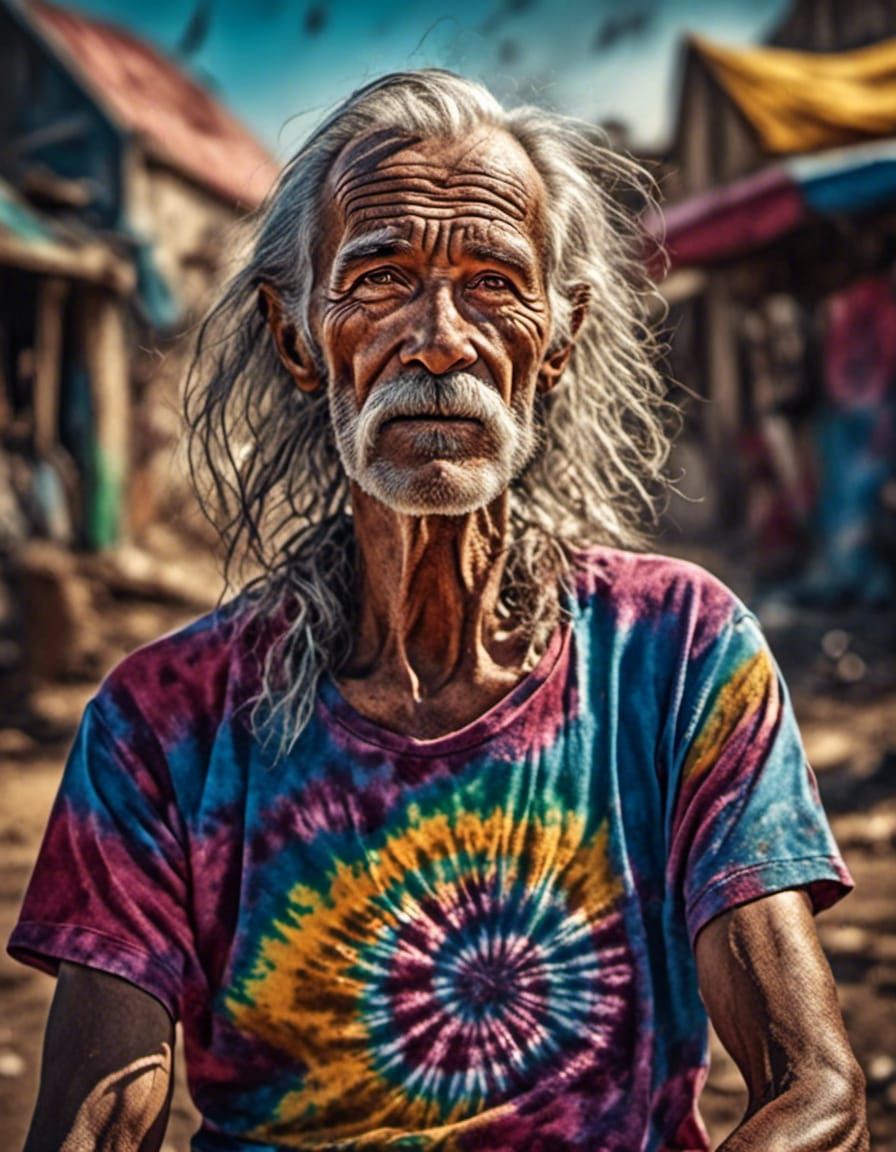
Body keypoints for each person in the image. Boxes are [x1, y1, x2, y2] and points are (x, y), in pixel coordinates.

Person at [11, 71, 867, 1152]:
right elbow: (94, 1120)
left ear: (558, 340)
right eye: (379, 277)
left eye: (493, 282)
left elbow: (816, 1091)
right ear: (296, 337)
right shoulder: (162, 720)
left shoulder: (677, 656)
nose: (440, 339)